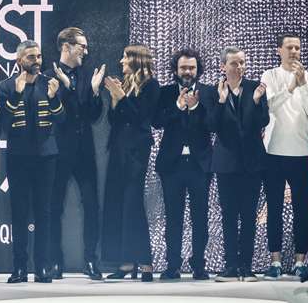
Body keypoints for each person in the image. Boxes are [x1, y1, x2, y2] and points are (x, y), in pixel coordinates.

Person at [0, 41, 64, 284]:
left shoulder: (50, 83)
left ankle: (42, 267)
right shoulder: (6, 86)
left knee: (44, 212)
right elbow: (2, 124)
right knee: (19, 213)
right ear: (19, 61)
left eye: (38, 56)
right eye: (31, 57)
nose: (36, 60)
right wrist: (16, 94)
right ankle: (19, 268)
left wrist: (54, 99)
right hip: (18, 157)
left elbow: (62, 119)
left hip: (46, 157)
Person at [45, 27, 106, 280]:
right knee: (53, 207)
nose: (86, 51)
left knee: (92, 205)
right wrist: (67, 87)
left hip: (84, 151)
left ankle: (91, 261)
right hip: (58, 151)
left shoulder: (88, 76)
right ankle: (54, 262)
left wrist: (94, 91)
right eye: (82, 46)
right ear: (66, 47)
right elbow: (59, 116)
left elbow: (93, 115)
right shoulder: (48, 76)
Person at [260, 34, 308, 279]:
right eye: (289, 47)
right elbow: (270, 107)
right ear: (279, 50)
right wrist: (291, 86)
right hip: (273, 151)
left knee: (301, 210)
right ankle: (275, 261)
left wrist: (302, 84)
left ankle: (299, 261)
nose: (294, 51)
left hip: (302, 152)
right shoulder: (269, 75)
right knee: (273, 208)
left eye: (297, 47)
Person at [209, 46, 269, 282]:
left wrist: (256, 102)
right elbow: (212, 126)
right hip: (226, 164)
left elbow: (263, 120)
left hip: (252, 163)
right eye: (234, 63)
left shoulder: (255, 88)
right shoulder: (215, 91)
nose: (240, 67)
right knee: (229, 216)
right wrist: (222, 101)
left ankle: (246, 266)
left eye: (242, 62)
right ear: (223, 66)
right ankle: (231, 266)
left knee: (248, 216)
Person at [101, 45, 160, 282]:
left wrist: (122, 97)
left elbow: (141, 117)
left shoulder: (151, 85)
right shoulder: (125, 84)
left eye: (125, 57)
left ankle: (145, 262)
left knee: (133, 204)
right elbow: (114, 119)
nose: (121, 61)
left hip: (136, 152)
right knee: (118, 204)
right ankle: (125, 262)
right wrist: (116, 99)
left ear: (136, 60)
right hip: (118, 150)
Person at [153, 48, 213, 281]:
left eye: (191, 68)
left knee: (200, 217)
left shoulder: (207, 92)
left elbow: (213, 124)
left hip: (200, 164)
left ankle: (199, 265)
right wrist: (177, 107)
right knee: (173, 217)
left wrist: (196, 107)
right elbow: (156, 121)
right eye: (183, 68)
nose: (187, 72)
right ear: (176, 70)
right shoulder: (165, 92)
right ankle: (173, 266)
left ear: (198, 70)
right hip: (172, 165)